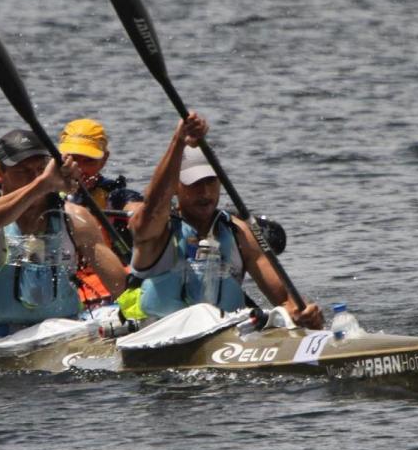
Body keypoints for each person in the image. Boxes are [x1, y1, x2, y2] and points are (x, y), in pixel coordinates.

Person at [121, 112, 324, 329]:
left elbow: (284, 296)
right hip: (156, 335)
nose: (205, 192)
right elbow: (153, 206)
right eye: (195, 183)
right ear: (176, 187)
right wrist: (178, 141)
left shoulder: (238, 232)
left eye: (211, 181)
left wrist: (302, 312)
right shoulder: (156, 229)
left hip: (224, 335)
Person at [0, 129, 128, 338]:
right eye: (22, 171)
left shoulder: (75, 219)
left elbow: (122, 289)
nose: (34, 177)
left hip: (65, 332)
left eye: (40, 169)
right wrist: (43, 184)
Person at [57, 118, 143, 306]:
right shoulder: (47, 194)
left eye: (89, 161)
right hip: (62, 284)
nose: (80, 169)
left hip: (106, 287)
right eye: (73, 159)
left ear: (104, 160)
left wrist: (144, 215)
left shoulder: (116, 196)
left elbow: (136, 209)